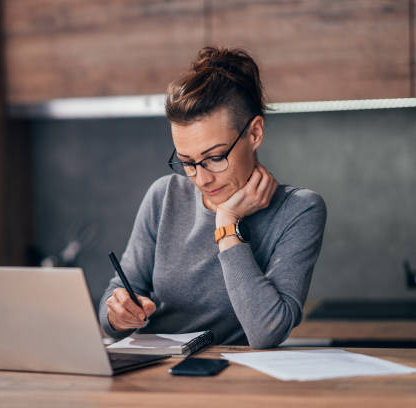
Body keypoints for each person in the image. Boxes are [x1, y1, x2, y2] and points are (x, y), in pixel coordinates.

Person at [98, 46, 327, 349]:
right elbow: (110, 310)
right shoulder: (164, 196)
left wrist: (227, 223)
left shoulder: (299, 210)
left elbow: (267, 332)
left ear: (255, 133)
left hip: (230, 382)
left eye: (215, 157)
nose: (201, 178)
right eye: (186, 161)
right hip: (153, 374)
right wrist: (118, 315)